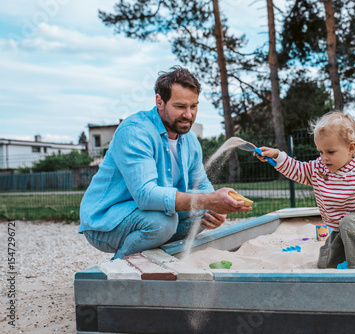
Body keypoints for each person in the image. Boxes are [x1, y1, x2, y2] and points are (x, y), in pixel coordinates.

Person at [79, 66, 251, 260]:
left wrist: (216, 208)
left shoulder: (190, 140)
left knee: (203, 211)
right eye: (180, 106)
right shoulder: (135, 132)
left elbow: (201, 186)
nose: (188, 114)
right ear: (159, 101)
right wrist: (208, 199)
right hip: (106, 221)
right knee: (162, 222)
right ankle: (115, 273)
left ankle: (157, 261)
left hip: (149, 214)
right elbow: (145, 195)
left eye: (193, 106)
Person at [255, 111, 355, 269]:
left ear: (351, 148)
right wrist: (278, 157)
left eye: (330, 152)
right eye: (320, 151)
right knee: (326, 263)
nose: (324, 158)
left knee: (350, 223)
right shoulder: (319, 168)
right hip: (339, 228)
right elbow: (298, 170)